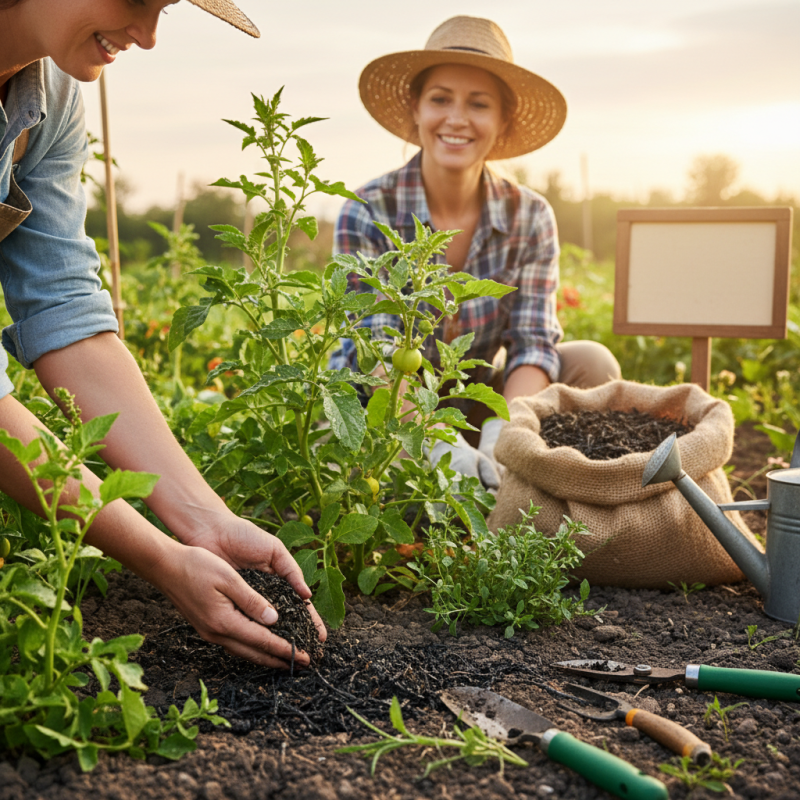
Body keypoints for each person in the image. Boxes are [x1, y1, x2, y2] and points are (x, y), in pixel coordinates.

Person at [0, 0, 326, 668]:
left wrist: (201, 519)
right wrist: (160, 558)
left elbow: (63, 306)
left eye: (165, 8)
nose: (148, 37)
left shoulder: (50, 97)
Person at [329, 16, 621, 486]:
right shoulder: (369, 211)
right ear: (417, 109)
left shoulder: (529, 215)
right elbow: (377, 352)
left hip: (479, 393)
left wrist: (504, 428)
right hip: (383, 399)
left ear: (502, 120)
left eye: (478, 104)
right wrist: (434, 436)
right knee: (373, 470)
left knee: (593, 364)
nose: (457, 119)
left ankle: (534, 491)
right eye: (440, 99)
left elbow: (531, 342)